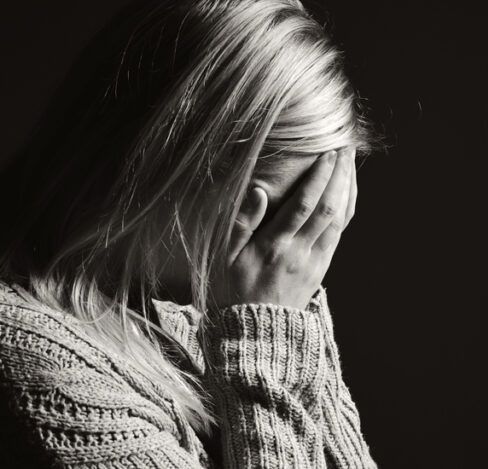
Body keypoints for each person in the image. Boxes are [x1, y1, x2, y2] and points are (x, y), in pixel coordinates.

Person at [0, 0, 379, 467]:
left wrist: (292, 330)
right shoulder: (35, 364)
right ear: (168, 164)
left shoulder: (186, 314)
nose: (292, 255)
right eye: (285, 218)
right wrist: (267, 353)